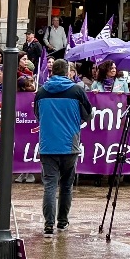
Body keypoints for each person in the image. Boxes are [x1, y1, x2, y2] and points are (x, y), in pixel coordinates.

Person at [33, 59, 94, 235]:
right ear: (68, 72)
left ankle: (48, 224)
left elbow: (37, 115)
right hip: (70, 144)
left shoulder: (41, 92)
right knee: (67, 185)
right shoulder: (77, 90)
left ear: (52, 72)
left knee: (50, 185)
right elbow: (88, 115)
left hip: (48, 145)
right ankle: (62, 221)